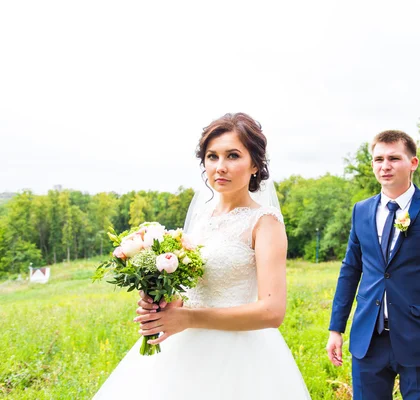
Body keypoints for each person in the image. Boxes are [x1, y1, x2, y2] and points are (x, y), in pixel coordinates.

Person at [94, 113, 311, 399]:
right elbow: (195, 284)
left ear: (255, 164)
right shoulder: (201, 216)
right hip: (182, 346)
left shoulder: (265, 222)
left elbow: (272, 312)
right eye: (212, 156)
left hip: (241, 355)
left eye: (233, 156)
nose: (220, 167)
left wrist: (189, 319)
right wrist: (165, 304)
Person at [326, 130, 420, 400]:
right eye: (378, 159)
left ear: (413, 163)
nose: (385, 166)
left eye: (394, 158)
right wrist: (336, 328)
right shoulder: (361, 210)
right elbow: (350, 271)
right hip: (368, 340)